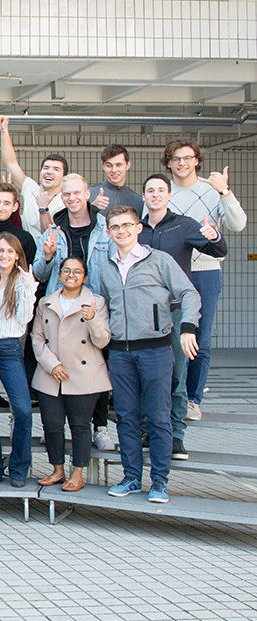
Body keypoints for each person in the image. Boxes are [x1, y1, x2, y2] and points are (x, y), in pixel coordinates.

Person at [95, 206, 200, 504]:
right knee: (126, 417)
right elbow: (105, 305)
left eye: (127, 225)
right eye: (115, 227)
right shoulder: (107, 267)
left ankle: (159, 481)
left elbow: (189, 293)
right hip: (120, 353)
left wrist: (188, 327)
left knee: (158, 417)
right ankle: (131, 477)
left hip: (155, 349)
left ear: (138, 228)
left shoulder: (159, 260)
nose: (121, 231)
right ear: (109, 232)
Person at [140, 173, 227, 457]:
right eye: (150, 190)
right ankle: (147, 429)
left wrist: (215, 236)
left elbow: (217, 250)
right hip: (142, 314)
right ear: (144, 196)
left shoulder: (184, 225)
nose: (155, 195)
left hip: (174, 311)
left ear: (169, 195)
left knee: (176, 374)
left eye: (160, 190)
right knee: (146, 375)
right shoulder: (135, 229)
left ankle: (176, 434)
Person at [163, 137, 247, 419]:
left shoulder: (211, 191)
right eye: (176, 159)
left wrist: (225, 192)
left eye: (187, 158)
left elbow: (238, 224)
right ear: (168, 163)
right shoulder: (163, 192)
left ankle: (192, 400)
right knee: (170, 336)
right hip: (170, 274)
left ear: (197, 160)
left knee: (200, 336)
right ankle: (172, 397)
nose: (182, 163)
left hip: (205, 271)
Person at [31, 258, 112, 493]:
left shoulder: (96, 302)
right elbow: (37, 338)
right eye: (66, 270)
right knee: (52, 425)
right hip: (51, 374)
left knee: (80, 426)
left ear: (85, 277)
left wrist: (93, 319)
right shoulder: (46, 302)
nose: (71, 275)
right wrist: (52, 364)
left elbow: (103, 340)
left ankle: (77, 474)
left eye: (77, 272)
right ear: (59, 275)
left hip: (83, 374)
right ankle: (57, 470)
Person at [0, 233, 37, 487]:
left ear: (17, 255)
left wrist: (29, 289)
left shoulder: (22, 281)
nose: (4, 255)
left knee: (22, 409)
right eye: (0, 250)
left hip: (8, 348)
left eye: (10, 251)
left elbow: (23, 319)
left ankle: (19, 466)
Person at [31, 174, 111, 293]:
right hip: (60, 301)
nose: (72, 198)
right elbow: (40, 276)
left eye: (76, 193)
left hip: (96, 300)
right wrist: (48, 257)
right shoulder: (52, 233)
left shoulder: (105, 229)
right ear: (62, 198)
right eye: (67, 194)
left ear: (87, 194)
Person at [0, 114, 67, 237]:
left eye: (56, 169)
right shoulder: (31, 188)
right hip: (27, 247)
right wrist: (4, 130)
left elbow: (51, 235)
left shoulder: (66, 200)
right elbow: (11, 163)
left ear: (64, 177)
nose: (49, 172)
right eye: (46, 168)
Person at [90, 144, 143, 214]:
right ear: (103, 166)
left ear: (128, 165)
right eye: (109, 165)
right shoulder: (89, 195)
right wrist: (92, 208)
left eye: (119, 165)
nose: (114, 170)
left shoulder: (138, 201)